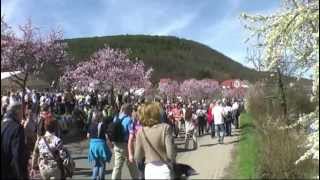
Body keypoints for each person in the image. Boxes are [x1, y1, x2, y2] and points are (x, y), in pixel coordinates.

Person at [135, 102, 176, 179]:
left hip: (149, 170)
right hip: (164, 168)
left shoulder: (140, 132)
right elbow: (170, 154)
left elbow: (137, 157)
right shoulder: (165, 128)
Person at [31, 114, 70, 180]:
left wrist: (33, 167)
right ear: (55, 127)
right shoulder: (57, 140)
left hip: (43, 168)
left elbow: (35, 154)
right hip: (55, 168)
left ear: (45, 127)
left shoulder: (39, 140)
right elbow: (63, 156)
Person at [1, 101, 29, 180]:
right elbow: (17, 156)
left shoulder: (2, 124)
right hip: (11, 173)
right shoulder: (17, 128)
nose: (22, 116)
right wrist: (22, 176)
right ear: (17, 112)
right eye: (22, 113)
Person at [111, 103, 139, 179]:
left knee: (117, 166)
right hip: (126, 144)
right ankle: (136, 177)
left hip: (116, 144)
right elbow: (131, 133)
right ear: (128, 110)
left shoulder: (116, 118)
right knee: (131, 164)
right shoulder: (129, 120)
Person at [87, 110, 112, 180]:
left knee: (96, 165)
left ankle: (94, 178)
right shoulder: (103, 125)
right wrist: (110, 144)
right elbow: (106, 136)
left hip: (93, 146)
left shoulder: (91, 125)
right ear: (101, 117)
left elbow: (88, 136)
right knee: (102, 165)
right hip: (101, 145)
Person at [128, 105, 144, 179]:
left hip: (148, 151)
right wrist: (130, 154)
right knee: (141, 171)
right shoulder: (134, 124)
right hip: (138, 149)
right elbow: (130, 140)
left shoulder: (149, 122)